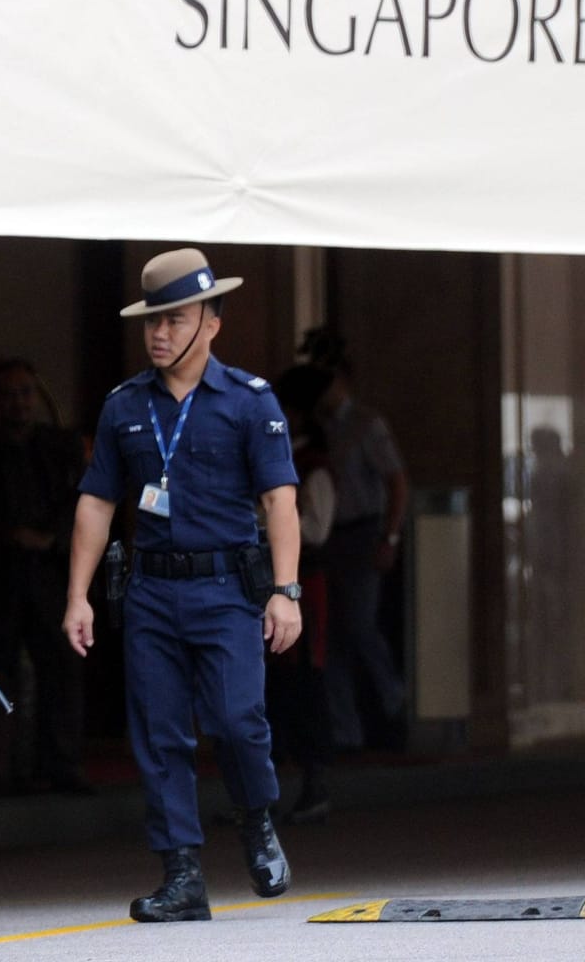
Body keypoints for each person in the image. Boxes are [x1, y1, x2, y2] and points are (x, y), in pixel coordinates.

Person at [64, 248, 303, 923]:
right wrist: (78, 594)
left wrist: (286, 592)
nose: (160, 333)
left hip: (228, 587)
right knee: (159, 734)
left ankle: (255, 819)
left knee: (235, 721)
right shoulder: (123, 406)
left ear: (212, 323)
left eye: (176, 319)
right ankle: (182, 874)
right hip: (151, 593)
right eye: (152, 322)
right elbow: (96, 504)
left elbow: (281, 501)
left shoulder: (250, 403)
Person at [0, 358, 89, 795]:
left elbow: (79, 502)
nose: (18, 403)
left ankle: (61, 764)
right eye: (9, 394)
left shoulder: (61, 446)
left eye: (25, 393)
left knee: (61, 666)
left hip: (50, 572)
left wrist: (51, 539)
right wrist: (14, 536)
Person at [304, 329, 409, 750]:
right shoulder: (319, 429)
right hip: (330, 538)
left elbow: (396, 480)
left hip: (364, 532)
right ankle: (346, 729)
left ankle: (394, 698)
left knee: (361, 625)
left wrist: (391, 535)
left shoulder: (367, 423)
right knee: (330, 637)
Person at [268, 365, 336, 824]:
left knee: (306, 684)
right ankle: (267, 797)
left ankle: (315, 786)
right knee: (272, 690)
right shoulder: (273, 458)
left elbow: (317, 527)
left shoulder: (313, 466)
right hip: (268, 583)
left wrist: (268, 523)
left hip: (303, 585)